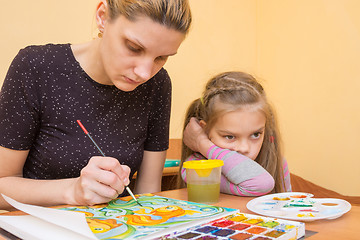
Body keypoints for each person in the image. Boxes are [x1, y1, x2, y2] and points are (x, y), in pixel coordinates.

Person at [0, 0, 192, 210]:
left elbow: (148, 193)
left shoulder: (158, 84)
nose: (145, 73)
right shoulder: (35, 68)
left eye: (161, 57)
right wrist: (72, 191)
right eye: (134, 48)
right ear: (103, 17)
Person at [178, 71, 291, 196]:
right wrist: (202, 143)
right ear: (205, 130)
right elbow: (260, 183)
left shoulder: (275, 161)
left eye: (255, 134)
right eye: (230, 137)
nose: (244, 148)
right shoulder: (196, 168)